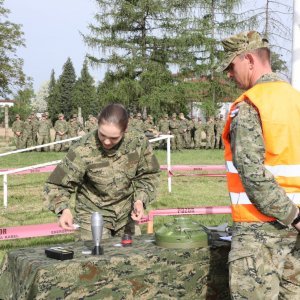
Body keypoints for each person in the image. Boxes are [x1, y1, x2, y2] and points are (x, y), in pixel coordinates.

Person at [218, 31, 300, 299]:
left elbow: (253, 175)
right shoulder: (295, 100)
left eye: (231, 66)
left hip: (259, 235)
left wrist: (292, 216)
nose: (229, 74)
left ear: (249, 60)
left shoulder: (250, 105)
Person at [43, 103, 160, 241]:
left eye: (114, 138)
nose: (107, 141)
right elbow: (56, 185)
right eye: (102, 134)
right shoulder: (82, 148)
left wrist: (140, 200)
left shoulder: (138, 142)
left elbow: (149, 175)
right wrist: (64, 210)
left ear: (125, 130)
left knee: (131, 257)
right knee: (94, 260)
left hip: (127, 213)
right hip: (92, 214)